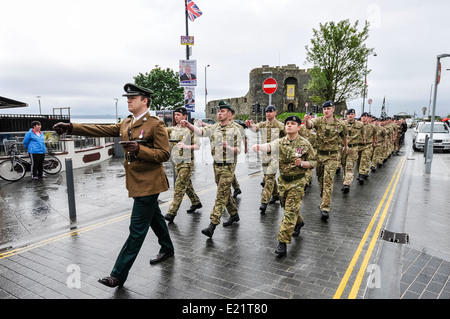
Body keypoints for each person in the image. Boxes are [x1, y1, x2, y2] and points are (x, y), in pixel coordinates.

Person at [53, 83, 174, 288]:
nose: (128, 100)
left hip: (149, 184)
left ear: (144, 101)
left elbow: (164, 155)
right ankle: (168, 248)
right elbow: (100, 128)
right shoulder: (126, 123)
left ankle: (118, 274)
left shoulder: (155, 124)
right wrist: (72, 127)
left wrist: (139, 150)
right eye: (127, 97)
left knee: (136, 230)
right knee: (154, 217)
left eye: (132, 97)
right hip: (135, 183)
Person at [252, 115, 316, 257]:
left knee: (289, 212)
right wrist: (259, 147)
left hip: (298, 182)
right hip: (283, 181)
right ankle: (299, 222)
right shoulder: (280, 142)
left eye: (293, 123)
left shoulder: (305, 144)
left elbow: (314, 161)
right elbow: (269, 146)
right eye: (287, 123)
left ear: (299, 127)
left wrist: (303, 164)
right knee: (289, 208)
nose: (289, 126)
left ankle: (282, 242)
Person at [180, 100, 242, 238]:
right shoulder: (214, 127)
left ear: (229, 113)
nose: (219, 114)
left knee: (220, 196)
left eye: (223, 111)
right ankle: (234, 214)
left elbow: (239, 151)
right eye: (218, 111)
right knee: (224, 193)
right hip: (216, 166)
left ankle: (212, 225)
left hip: (228, 166)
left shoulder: (235, 130)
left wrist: (229, 147)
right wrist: (188, 124)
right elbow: (201, 132)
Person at [304, 101, 348, 221]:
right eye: (324, 109)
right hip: (319, 155)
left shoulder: (340, 124)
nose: (326, 111)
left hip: (332, 157)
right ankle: (324, 198)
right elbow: (309, 125)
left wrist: (345, 147)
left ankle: (325, 207)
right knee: (321, 181)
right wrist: (307, 120)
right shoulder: (319, 121)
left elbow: (344, 136)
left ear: (333, 109)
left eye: (328, 109)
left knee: (328, 181)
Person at [164, 106, 202, 223]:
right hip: (176, 162)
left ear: (185, 116)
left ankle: (172, 212)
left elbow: (198, 146)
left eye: (178, 115)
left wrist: (186, 146)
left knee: (179, 186)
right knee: (187, 184)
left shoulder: (190, 130)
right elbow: (160, 132)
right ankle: (196, 202)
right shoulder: (172, 130)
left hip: (187, 163)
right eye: (175, 115)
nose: (176, 117)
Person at [246, 105, 286, 214]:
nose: (268, 113)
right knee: (268, 176)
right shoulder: (263, 124)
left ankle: (264, 201)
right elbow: (255, 128)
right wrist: (250, 125)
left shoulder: (280, 126)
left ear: (275, 113)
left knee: (269, 177)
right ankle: (276, 194)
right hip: (265, 155)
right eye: (267, 112)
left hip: (275, 155)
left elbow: (289, 138)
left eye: (270, 111)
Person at [341, 109, 365, 194]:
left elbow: (363, 134)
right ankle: (345, 180)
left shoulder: (360, 125)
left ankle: (347, 184)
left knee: (350, 166)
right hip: (343, 148)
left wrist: (363, 141)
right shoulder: (342, 124)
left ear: (354, 115)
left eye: (352, 114)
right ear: (346, 116)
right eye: (348, 114)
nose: (350, 116)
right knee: (343, 165)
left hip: (353, 148)